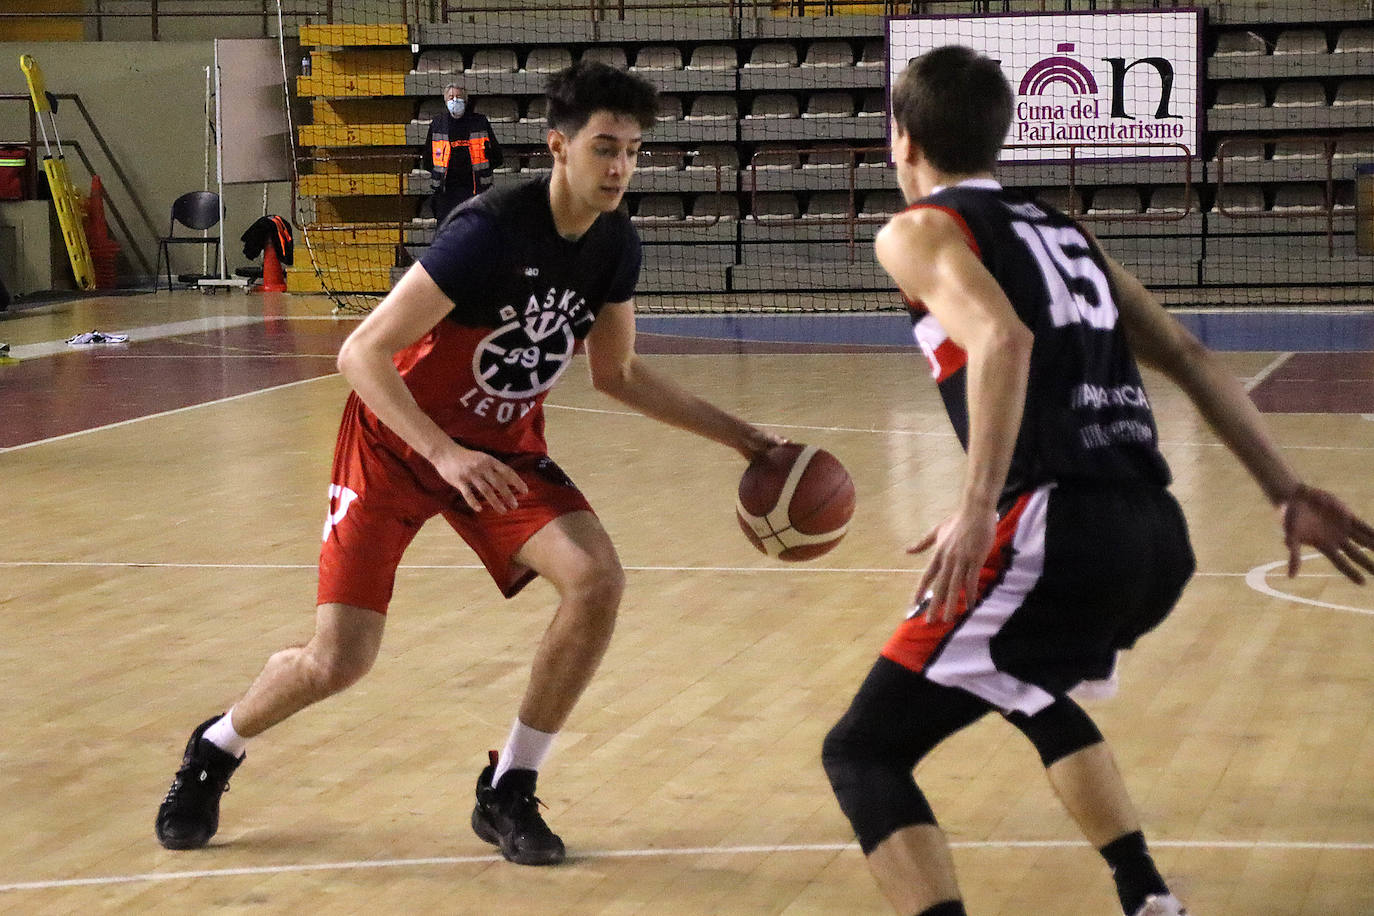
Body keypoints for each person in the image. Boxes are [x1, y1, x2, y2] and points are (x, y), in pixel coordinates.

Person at [155, 61, 781, 866]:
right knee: (339, 660)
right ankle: (216, 747)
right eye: (603, 148)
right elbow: (361, 353)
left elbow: (617, 373)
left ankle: (509, 787)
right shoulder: (490, 229)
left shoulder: (615, 244)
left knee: (596, 579)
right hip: (395, 443)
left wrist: (744, 439)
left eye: (632, 150)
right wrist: (442, 452)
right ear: (559, 146)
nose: (620, 167)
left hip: (498, 454)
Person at [820, 45, 1374, 916]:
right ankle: (1147, 896)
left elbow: (1002, 341)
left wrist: (975, 509)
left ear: (902, 138)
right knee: (1022, 681)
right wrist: (1285, 490)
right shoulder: (1062, 228)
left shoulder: (917, 229)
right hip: (1153, 532)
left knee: (862, 751)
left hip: (1055, 522)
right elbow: (1189, 354)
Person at [423, 82, 505, 222]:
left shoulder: (480, 122)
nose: (455, 100)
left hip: (476, 190)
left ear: (466, 100)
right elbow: (427, 160)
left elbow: (496, 156)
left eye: (458, 96)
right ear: (445, 101)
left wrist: (482, 171)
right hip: (446, 192)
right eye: (451, 97)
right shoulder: (437, 124)